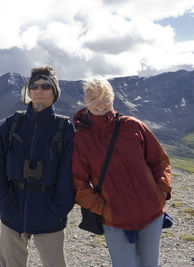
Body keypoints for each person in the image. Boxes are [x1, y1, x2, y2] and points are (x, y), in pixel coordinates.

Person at [72, 78, 172, 267]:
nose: (99, 103)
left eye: (104, 97)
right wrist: (102, 208)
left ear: (113, 98)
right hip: (115, 220)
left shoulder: (132, 126)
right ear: (85, 101)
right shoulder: (81, 139)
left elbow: (159, 159)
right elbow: (79, 182)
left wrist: (162, 189)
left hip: (152, 212)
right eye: (93, 98)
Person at [0, 65, 75, 267]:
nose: (39, 90)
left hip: (50, 214)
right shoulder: (11, 125)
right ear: (28, 91)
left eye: (45, 86)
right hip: (13, 210)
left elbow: (68, 173)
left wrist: (59, 208)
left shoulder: (64, 129)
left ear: (54, 92)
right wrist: (3, 201)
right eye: (34, 85)